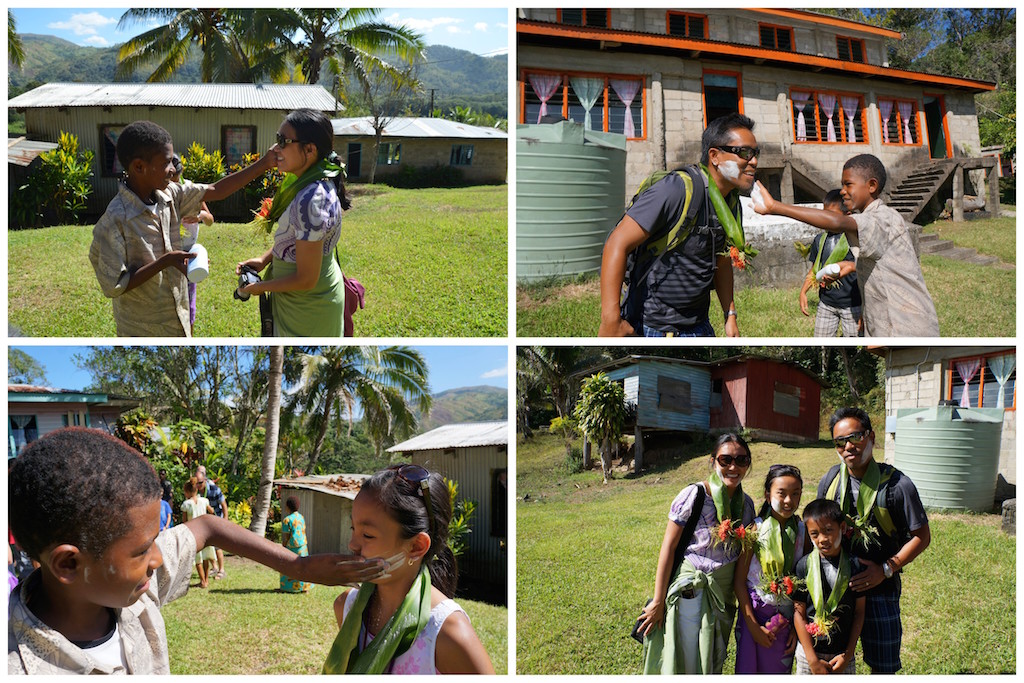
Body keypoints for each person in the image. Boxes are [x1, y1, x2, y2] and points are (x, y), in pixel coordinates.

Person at [7, 427, 396, 674]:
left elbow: (208, 527)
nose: (158, 559)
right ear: (69, 563)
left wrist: (299, 566)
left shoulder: (128, 587)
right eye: (143, 550)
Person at [89, 120, 279, 337]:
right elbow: (114, 285)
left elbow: (216, 190)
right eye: (166, 163)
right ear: (139, 167)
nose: (172, 170)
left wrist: (264, 163)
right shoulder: (114, 221)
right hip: (142, 330)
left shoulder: (170, 194)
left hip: (178, 320)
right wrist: (166, 261)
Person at [599, 113, 759, 338]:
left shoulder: (731, 203)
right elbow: (616, 243)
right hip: (654, 328)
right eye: (745, 153)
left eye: (756, 153)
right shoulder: (677, 190)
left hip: (699, 326)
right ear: (714, 156)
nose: (754, 161)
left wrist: (729, 314)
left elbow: (721, 262)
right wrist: (610, 321)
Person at [326, 465, 494, 674]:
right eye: (353, 529)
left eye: (367, 535)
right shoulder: (347, 608)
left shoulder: (446, 633)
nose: (352, 544)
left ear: (416, 546)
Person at [753, 153, 939, 336]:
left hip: (908, 327)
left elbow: (837, 222)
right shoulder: (874, 221)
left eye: (848, 184)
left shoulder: (881, 218)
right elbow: (881, 267)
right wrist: (849, 267)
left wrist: (776, 207)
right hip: (896, 329)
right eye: (842, 184)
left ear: (871, 185)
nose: (842, 191)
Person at [816, 407, 930, 674]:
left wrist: (886, 570)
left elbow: (922, 537)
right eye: (839, 441)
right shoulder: (831, 480)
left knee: (883, 667)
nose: (847, 446)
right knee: (831, 661)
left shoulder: (898, 485)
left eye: (855, 437)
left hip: (881, 589)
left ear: (871, 437)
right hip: (836, 589)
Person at [637, 434, 756, 674]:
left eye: (741, 460)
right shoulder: (695, 495)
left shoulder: (746, 505)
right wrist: (659, 600)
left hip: (723, 597)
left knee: (712, 661)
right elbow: (668, 548)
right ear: (713, 461)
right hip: (691, 592)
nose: (733, 467)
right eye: (725, 460)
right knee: (690, 660)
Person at [235, 108, 352, 336]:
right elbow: (298, 237)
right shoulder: (311, 183)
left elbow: (307, 279)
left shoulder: (311, 200)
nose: (275, 149)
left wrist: (259, 287)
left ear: (309, 149)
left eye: (283, 141)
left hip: (306, 307)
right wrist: (264, 259)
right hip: (306, 299)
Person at [733, 464, 808, 673]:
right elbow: (739, 581)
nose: (788, 501)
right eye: (781, 493)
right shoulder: (755, 530)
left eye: (796, 494)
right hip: (753, 616)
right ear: (768, 495)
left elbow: (805, 583)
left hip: (786, 619)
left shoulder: (803, 532)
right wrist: (753, 627)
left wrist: (796, 627)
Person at [792, 499, 866, 675]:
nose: (822, 539)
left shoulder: (855, 566)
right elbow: (798, 613)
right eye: (814, 534)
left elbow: (859, 612)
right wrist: (812, 660)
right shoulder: (804, 566)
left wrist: (847, 655)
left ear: (842, 528)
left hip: (841, 655)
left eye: (828, 531)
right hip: (808, 654)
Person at [798, 189, 862, 337]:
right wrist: (803, 291)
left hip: (853, 305)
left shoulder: (855, 240)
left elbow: (864, 269)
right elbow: (814, 269)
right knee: (821, 343)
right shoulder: (820, 239)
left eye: (832, 216)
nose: (827, 220)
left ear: (848, 216)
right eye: (825, 215)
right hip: (827, 303)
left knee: (856, 347)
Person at [169, 154, 215, 335]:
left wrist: (200, 216)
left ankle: (189, 337)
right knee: (171, 304)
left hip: (190, 254)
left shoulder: (192, 191)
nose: (173, 185)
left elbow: (210, 220)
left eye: (176, 179)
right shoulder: (159, 193)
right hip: (168, 254)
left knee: (189, 306)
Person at [180, 477, 216, 588]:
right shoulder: (204, 501)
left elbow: (185, 521)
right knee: (205, 556)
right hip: (205, 532)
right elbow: (212, 511)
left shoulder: (186, 504)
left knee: (198, 558)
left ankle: (202, 581)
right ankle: (206, 580)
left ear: (187, 492)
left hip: (194, 533)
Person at [195, 465, 227, 580]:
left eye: (199, 483)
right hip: (205, 522)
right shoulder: (196, 492)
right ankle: (214, 567)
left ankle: (222, 570)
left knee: (218, 546)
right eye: (196, 483)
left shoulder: (214, 489)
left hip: (217, 519)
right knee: (208, 545)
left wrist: (225, 521)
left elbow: (223, 505)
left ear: (205, 480)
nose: (198, 486)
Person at [280, 497, 310, 593]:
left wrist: (283, 546)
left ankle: (287, 588)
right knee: (303, 566)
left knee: (288, 566)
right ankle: (304, 588)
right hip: (303, 546)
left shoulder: (287, 520)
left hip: (292, 547)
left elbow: (287, 536)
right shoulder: (301, 517)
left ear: (288, 507)